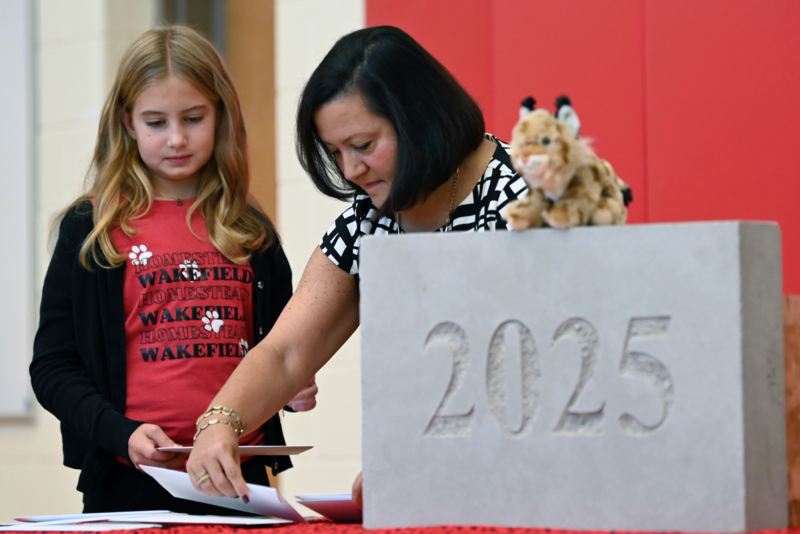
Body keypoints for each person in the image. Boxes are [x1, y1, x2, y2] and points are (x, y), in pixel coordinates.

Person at [186, 25, 528, 508]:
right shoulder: (367, 223)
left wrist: (431, 456)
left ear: (419, 120)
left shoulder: (527, 200)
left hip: (530, 476)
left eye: (364, 146)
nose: (350, 171)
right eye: (335, 153)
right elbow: (286, 352)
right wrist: (220, 421)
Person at [30, 25, 317, 514]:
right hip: (128, 485)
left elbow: (280, 351)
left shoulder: (251, 231)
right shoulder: (91, 227)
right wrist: (119, 435)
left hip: (238, 478)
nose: (177, 138)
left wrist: (292, 388)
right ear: (127, 123)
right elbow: (53, 367)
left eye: (193, 118)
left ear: (220, 116)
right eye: (156, 122)